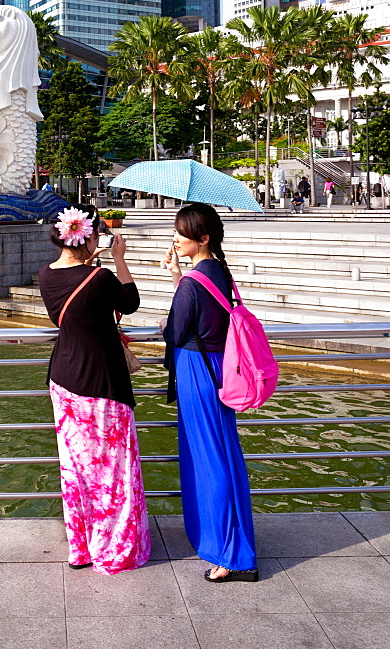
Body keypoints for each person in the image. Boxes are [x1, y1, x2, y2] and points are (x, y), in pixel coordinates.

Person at [38, 203, 151, 575]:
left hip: (64, 381)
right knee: (113, 470)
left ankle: (81, 549)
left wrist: (90, 262)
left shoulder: (45, 275)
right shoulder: (100, 277)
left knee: (76, 470)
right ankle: (116, 551)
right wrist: (117, 260)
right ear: (90, 237)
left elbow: (76, 302)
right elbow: (130, 303)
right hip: (101, 380)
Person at [161, 202, 257, 583]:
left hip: (198, 374)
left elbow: (175, 333)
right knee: (224, 455)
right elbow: (201, 317)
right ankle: (235, 546)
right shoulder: (220, 272)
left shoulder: (192, 283)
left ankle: (230, 555)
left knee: (209, 461)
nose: (176, 238)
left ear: (203, 238)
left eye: (182, 233)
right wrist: (178, 278)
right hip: (220, 370)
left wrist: (179, 286)